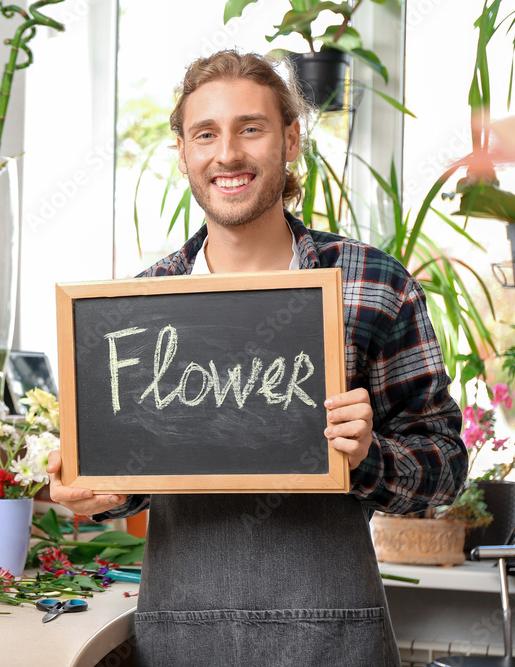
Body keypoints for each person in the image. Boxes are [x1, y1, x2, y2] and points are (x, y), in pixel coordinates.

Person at [46, 50, 466, 667]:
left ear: (290, 139)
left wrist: (366, 456)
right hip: (179, 636)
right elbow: (129, 476)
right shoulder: (137, 309)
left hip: (335, 634)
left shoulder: (372, 283)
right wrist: (96, 491)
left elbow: (446, 469)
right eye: (205, 134)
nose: (228, 155)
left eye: (251, 128)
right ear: (184, 152)